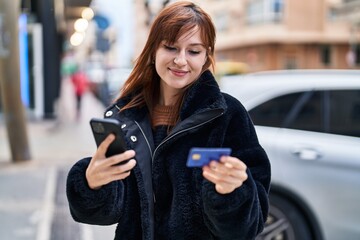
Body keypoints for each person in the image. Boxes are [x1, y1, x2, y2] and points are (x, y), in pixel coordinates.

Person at [66, 1, 271, 239]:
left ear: (206, 58)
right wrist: (92, 183)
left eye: (194, 51)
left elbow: (248, 228)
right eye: (171, 48)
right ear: (153, 51)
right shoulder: (127, 116)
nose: (181, 60)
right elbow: (108, 213)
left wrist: (233, 192)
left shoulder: (228, 115)